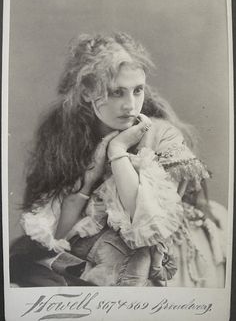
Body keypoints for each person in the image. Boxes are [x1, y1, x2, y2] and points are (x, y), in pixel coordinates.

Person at [10, 32, 227, 287]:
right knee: (25, 265)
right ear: (88, 92)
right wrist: (89, 181)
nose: (130, 105)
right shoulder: (65, 135)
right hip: (96, 250)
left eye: (137, 90)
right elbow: (56, 235)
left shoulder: (162, 134)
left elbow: (146, 226)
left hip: (160, 248)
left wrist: (118, 151)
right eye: (116, 93)